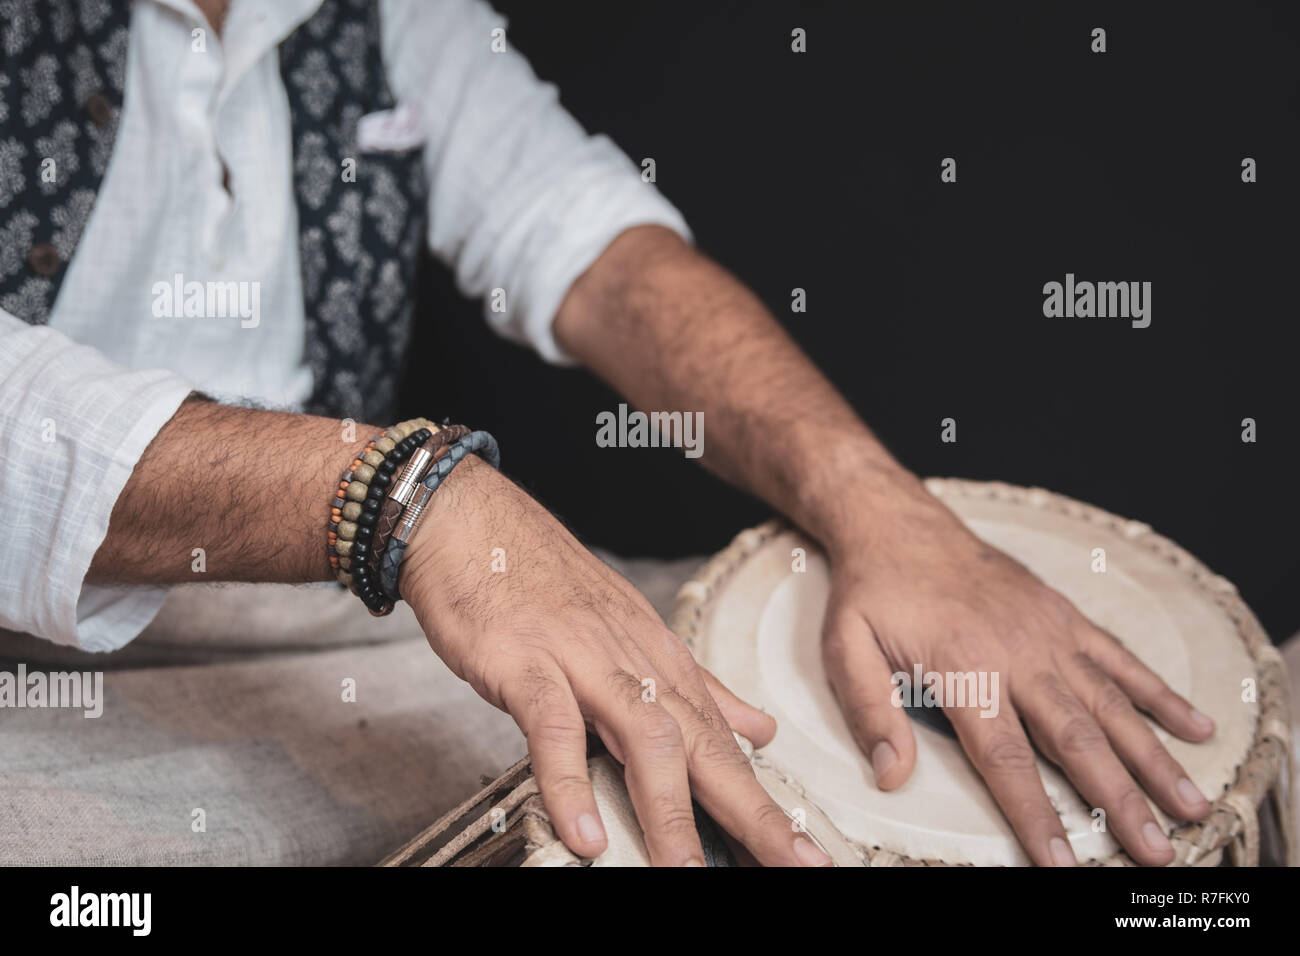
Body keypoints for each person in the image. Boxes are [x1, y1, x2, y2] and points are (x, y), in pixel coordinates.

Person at [0, 0, 1215, 867]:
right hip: (34, 650)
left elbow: (587, 241)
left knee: (744, 695)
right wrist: (414, 497)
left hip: (329, 606)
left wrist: (878, 504)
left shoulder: (388, 14)